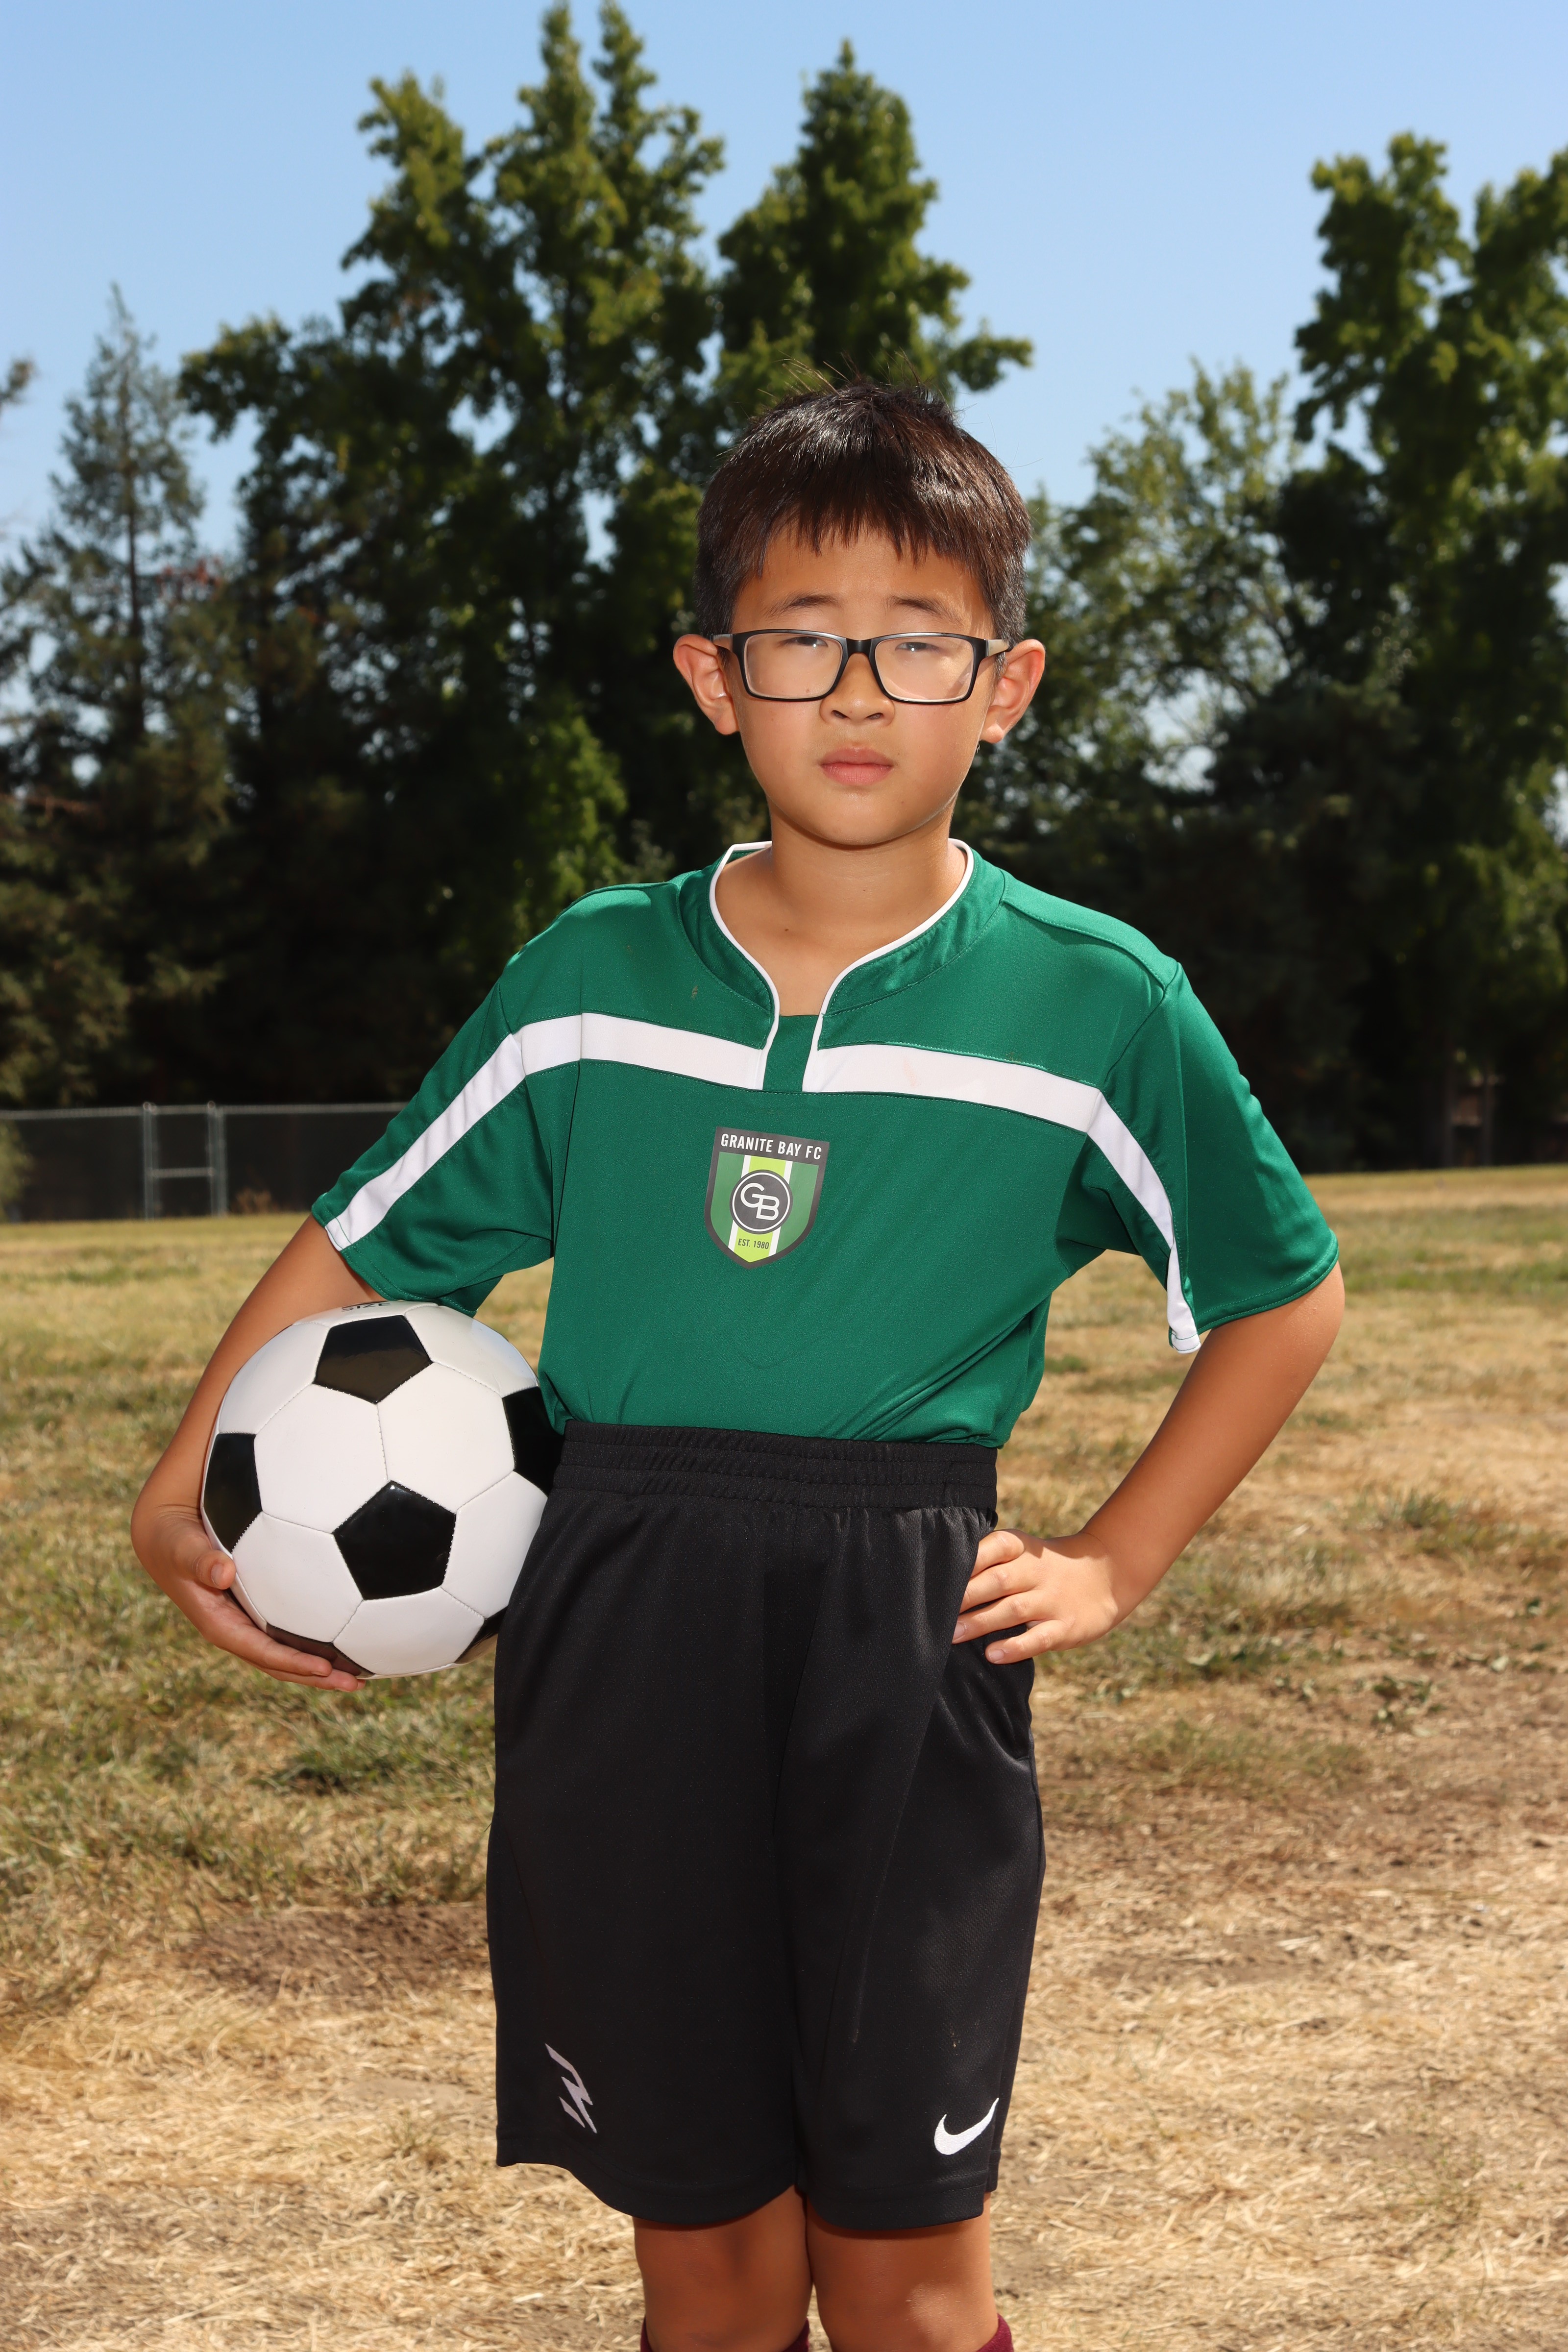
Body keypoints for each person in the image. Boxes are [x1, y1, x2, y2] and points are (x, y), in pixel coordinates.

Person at [133, 380, 1344, 2352]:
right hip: (623, 1613)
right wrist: (184, 1478)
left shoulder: (1096, 1005)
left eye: (917, 641)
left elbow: (1281, 1294)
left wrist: (1117, 1558)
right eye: (800, 638)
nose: (857, 690)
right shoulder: (588, 982)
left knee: (904, 2270)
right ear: (714, 676)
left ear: (1006, 685)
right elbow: (371, 1234)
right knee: (702, 2255)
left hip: (904, 1623)